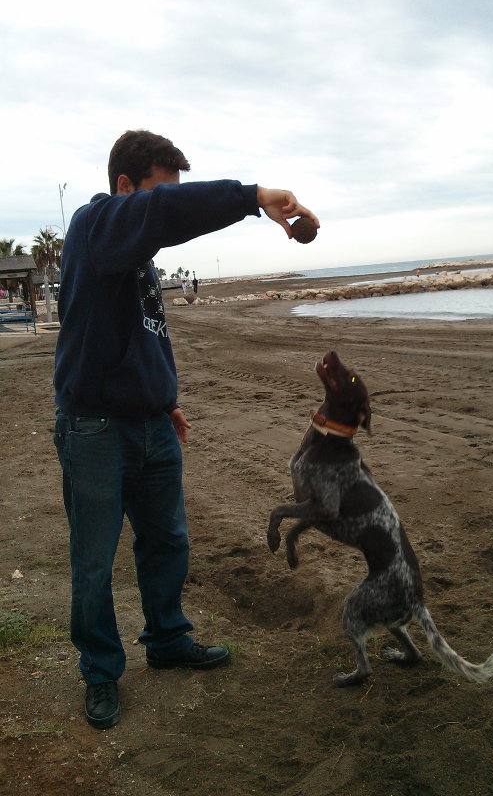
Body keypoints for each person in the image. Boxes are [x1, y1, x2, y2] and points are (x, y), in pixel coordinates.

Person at [53, 129, 319, 730]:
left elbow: (147, 331)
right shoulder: (96, 227)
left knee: (168, 540)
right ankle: (100, 672)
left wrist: (164, 397)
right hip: (94, 428)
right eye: (157, 193)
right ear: (125, 188)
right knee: (94, 560)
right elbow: (166, 211)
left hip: (149, 422)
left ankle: (168, 639)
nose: (164, 211)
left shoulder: (134, 253)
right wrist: (252, 196)